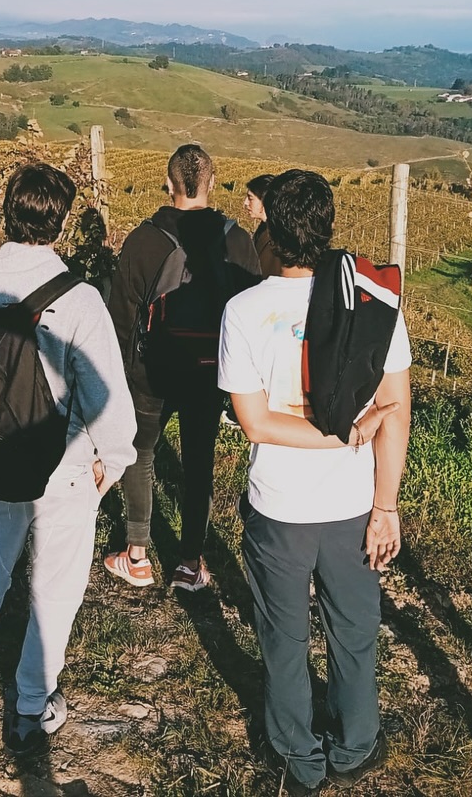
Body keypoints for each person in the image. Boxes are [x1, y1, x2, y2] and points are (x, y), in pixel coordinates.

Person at [218, 169, 411, 796]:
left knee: (284, 637)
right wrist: (386, 503)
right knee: (354, 635)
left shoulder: (243, 310)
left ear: (269, 229)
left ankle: (300, 759)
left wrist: (327, 431)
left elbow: (254, 423)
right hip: (354, 504)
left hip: (278, 509)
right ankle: (356, 746)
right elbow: (395, 409)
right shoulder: (375, 304)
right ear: (328, 228)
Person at [0, 164, 137, 751]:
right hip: (65, 463)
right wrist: (116, 457)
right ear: (60, 222)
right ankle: (31, 705)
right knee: (54, 588)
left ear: (6, 212)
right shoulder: (78, 299)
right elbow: (105, 392)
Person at [102, 144, 260, 591]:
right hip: (210, 372)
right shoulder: (238, 241)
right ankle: (190, 562)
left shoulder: (144, 239)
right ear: (213, 182)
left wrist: (122, 374)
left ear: (168, 184)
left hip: (150, 371)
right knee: (198, 462)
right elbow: (247, 314)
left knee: (140, 452)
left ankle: (136, 555)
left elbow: (120, 316)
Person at [245, 173, 282, 279]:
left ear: (264, 200)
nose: (245, 203)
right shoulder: (264, 228)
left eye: (250, 198)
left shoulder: (276, 238)